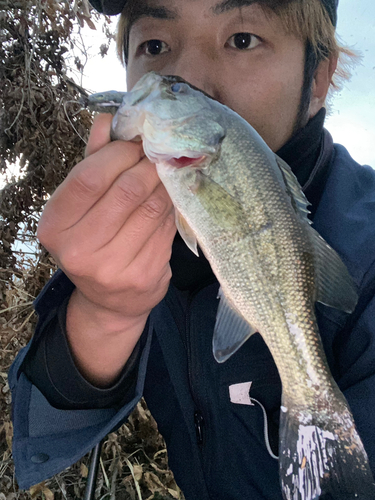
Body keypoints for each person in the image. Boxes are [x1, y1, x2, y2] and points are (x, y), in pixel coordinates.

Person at [9, 0, 375, 498]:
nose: (189, 75)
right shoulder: (130, 231)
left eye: (242, 40)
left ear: (316, 79)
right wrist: (101, 315)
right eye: (155, 46)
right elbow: (51, 425)